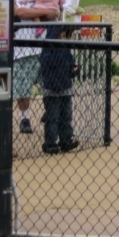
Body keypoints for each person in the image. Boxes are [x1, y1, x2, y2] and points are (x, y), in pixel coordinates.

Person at [8, 0, 59, 134]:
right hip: (21, 50)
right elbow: (20, 12)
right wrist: (43, 12)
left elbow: (51, 13)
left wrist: (44, 12)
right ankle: (25, 118)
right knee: (23, 89)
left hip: (42, 48)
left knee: (50, 85)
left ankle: (50, 113)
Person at [39, 23, 80, 154]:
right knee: (53, 117)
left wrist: (74, 69)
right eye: (60, 35)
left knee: (66, 116)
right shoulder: (47, 50)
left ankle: (66, 140)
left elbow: (70, 65)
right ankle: (50, 143)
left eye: (64, 35)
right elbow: (46, 64)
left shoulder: (65, 49)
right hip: (52, 90)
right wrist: (59, 53)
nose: (62, 38)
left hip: (65, 88)